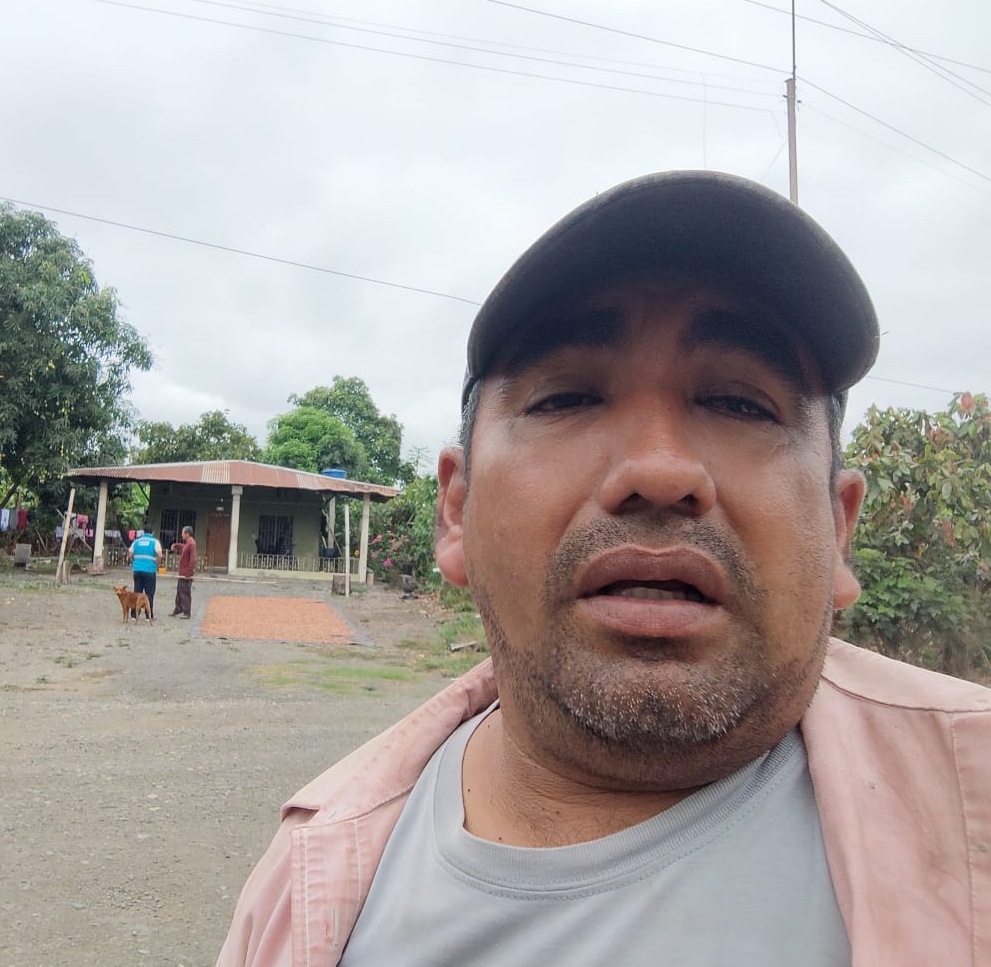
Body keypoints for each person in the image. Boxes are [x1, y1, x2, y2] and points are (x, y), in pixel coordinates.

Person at [217, 171, 991, 967]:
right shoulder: (304, 882)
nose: (659, 470)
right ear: (456, 512)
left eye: (741, 404)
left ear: (838, 527)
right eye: (567, 398)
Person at [127, 524, 161, 620]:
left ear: (143, 532)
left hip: (137, 570)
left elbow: (130, 554)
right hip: (149, 570)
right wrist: (156, 564)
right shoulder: (155, 542)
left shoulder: (136, 541)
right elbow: (160, 555)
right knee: (149, 594)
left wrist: (134, 562)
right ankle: (148, 616)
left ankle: (134, 615)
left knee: (137, 592)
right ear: (152, 532)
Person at [169, 525, 198, 618]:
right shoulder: (188, 543)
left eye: (182, 533)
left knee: (185, 592)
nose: (181, 535)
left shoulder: (192, 543)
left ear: (187, 534)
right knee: (179, 591)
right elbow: (184, 547)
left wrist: (189, 573)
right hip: (182, 572)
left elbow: (193, 559)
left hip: (186, 573)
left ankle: (186, 612)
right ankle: (178, 608)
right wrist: (176, 545)